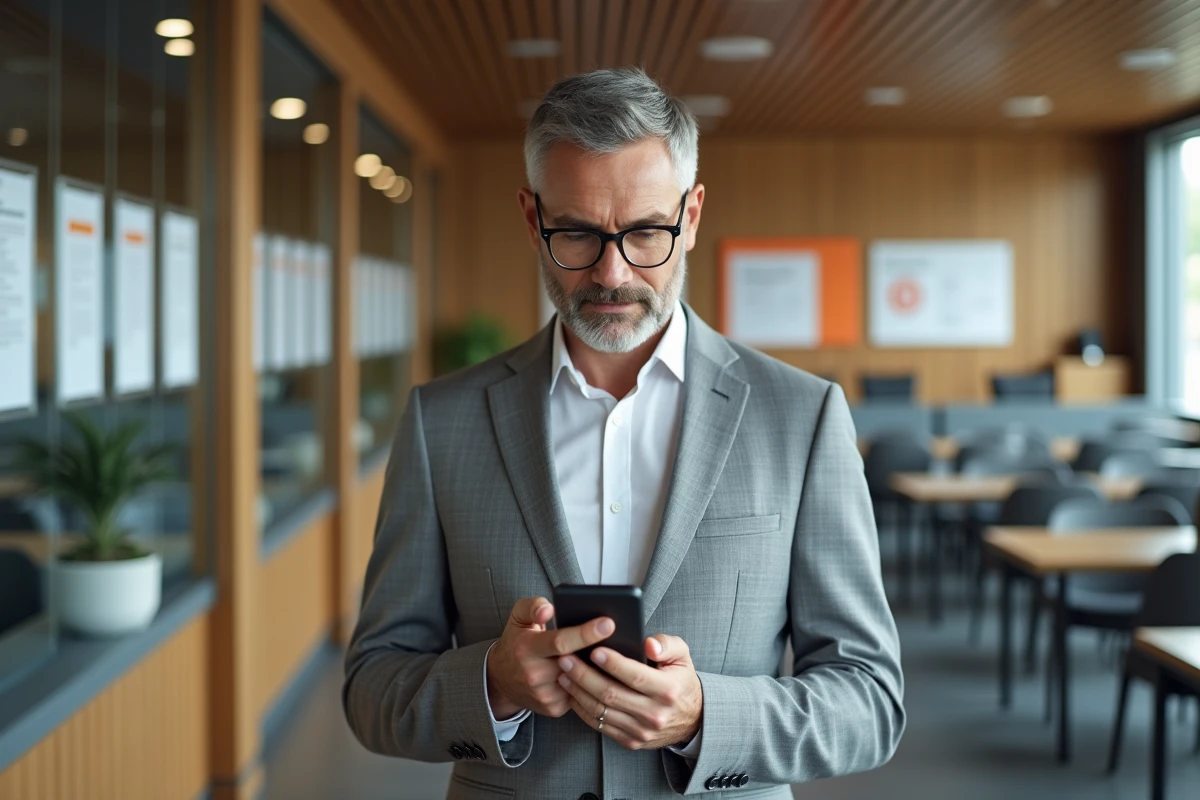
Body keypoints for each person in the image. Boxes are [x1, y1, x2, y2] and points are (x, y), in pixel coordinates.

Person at [343, 68, 904, 800]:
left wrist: (707, 717)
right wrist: (492, 684)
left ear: (691, 215)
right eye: (577, 233)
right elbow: (372, 687)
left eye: (645, 232)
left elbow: (870, 701)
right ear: (532, 218)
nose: (612, 273)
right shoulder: (441, 421)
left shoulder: (801, 417)